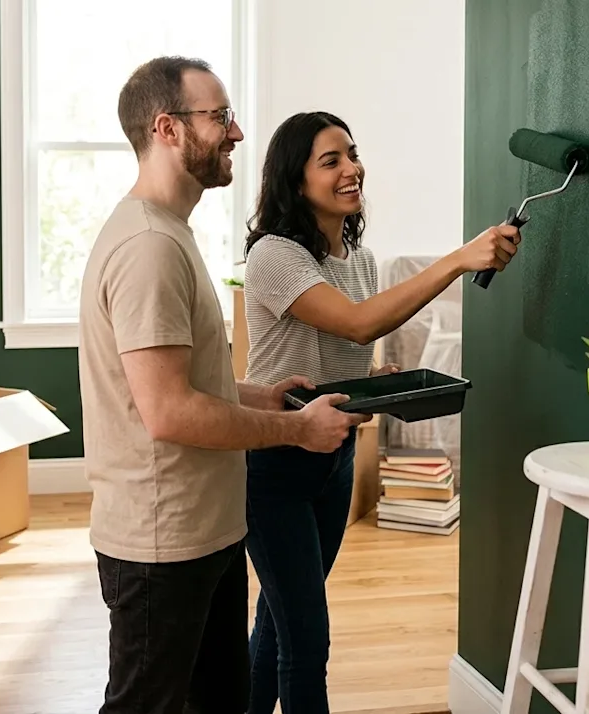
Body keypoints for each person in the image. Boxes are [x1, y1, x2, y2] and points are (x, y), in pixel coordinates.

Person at [77, 60, 370, 714]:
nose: (236, 132)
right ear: (167, 129)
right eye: (219, 117)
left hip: (206, 528)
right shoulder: (148, 246)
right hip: (162, 541)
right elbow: (168, 411)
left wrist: (257, 395)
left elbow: (178, 383)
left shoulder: (169, 234)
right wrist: (297, 428)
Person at [239, 110, 523, 713]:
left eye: (352, 154)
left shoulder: (359, 257)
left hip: (334, 459)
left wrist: (371, 380)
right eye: (331, 161)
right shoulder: (274, 255)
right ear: (295, 181)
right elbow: (358, 322)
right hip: (275, 463)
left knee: (280, 621)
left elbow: (341, 351)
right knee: (306, 639)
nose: (352, 168)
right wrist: (458, 259)